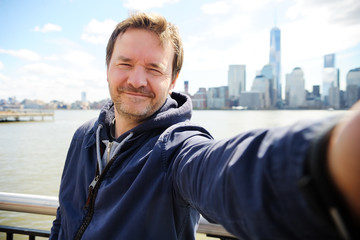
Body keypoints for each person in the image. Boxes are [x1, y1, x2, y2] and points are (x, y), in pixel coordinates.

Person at [50, 12, 360, 240]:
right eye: (125, 64)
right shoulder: (84, 137)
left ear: (172, 81)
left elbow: (227, 174)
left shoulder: (173, 150)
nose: (137, 80)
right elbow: (63, 219)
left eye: (154, 69)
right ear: (107, 69)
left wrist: (327, 161)